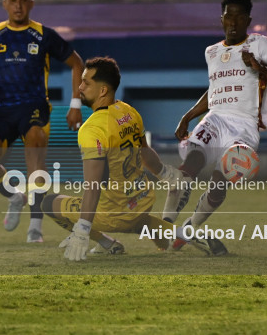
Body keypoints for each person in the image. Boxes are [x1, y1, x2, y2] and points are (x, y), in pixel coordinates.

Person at [0, 0, 84, 243]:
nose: (18, 5)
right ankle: (15, 196)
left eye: (24, 0)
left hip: (34, 107)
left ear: (31, 4)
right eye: (13, 0)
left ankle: (35, 225)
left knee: (34, 152)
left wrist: (76, 104)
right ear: (5, 4)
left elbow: (77, 63)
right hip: (0, 108)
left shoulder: (44, 35)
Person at [43, 56, 182, 260]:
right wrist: (166, 174)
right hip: (143, 201)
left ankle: (107, 243)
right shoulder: (129, 111)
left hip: (115, 214)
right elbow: (145, 152)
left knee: (48, 203)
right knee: (134, 217)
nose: (80, 87)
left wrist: (82, 230)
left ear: (102, 91)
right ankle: (182, 234)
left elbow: (93, 186)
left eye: (86, 82)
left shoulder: (91, 129)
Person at [163, 0, 267, 256]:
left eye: (239, 16)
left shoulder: (260, 43)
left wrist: (259, 67)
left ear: (248, 20)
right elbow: (214, 90)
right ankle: (164, 224)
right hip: (216, 118)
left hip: (245, 125)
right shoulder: (211, 51)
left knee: (219, 185)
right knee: (191, 164)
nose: (232, 21)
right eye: (228, 15)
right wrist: (187, 116)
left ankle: (188, 228)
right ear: (221, 19)